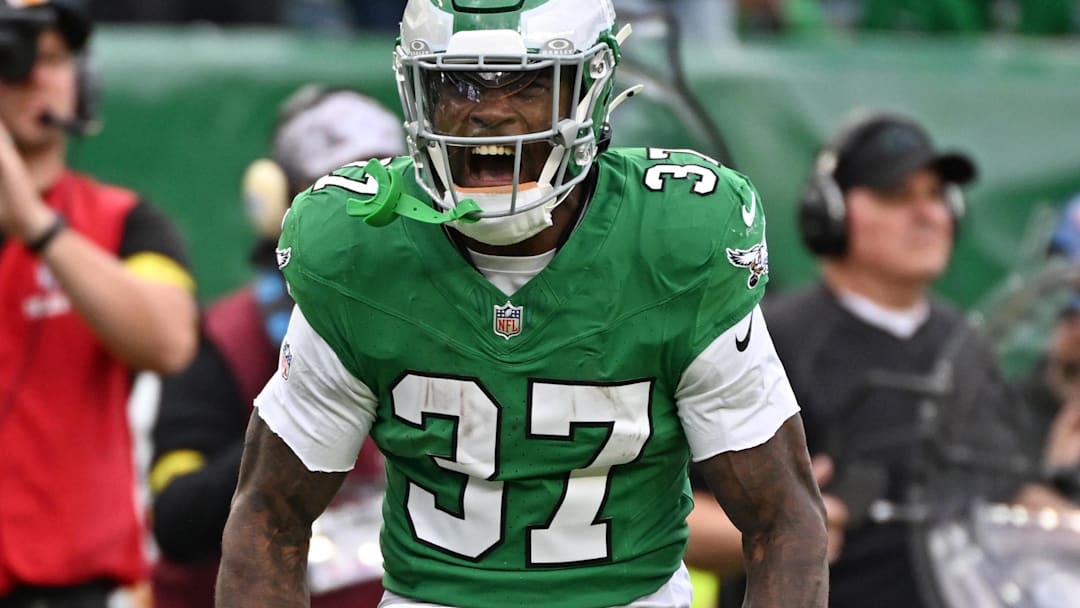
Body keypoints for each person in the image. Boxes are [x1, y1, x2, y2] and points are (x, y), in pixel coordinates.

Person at [216, 1, 828, 607]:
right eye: (456, 84)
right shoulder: (362, 247)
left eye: (530, 82)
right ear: (418, 94)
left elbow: (782, 520)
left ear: (590, 92)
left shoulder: (676, 241)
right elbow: (270, 518)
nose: (489, 111)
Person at [708, 110, 1069, 608]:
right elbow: (668, 513)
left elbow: (1008, 492)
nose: (927, 214)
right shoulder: (768, 339)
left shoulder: (967, 343)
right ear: (828, 213)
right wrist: (789, 529)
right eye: (896, 196)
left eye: (937, 196)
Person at [148, 85, 406, 608]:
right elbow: (176, 518)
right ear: (276, 207)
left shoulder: (453, 323)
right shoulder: (228, 338)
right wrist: (303, 415)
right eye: (338, 198)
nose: (366, 221)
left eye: (386, 198)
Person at [0, 0, 198, 605]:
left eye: (56, 59)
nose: (39, 75)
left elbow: (169, 341)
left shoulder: (125, 222)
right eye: (16, 58)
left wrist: (35, 225)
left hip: (75, 589)